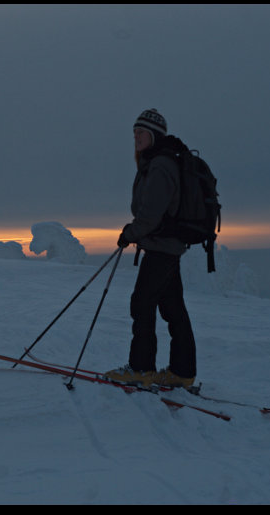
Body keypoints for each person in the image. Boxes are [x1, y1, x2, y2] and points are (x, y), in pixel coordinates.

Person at [105, 108, 197, 389]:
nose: (136, 137)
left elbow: (150, 215)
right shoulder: (159, 162)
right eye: (134, 133)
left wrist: (130, 233)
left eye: (141, 133)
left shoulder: (160, 165)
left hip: (162, 247)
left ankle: (141, 369)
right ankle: (182, 372)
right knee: (172, 307)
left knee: (142, 303)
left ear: (154, 135)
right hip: (166, 245)